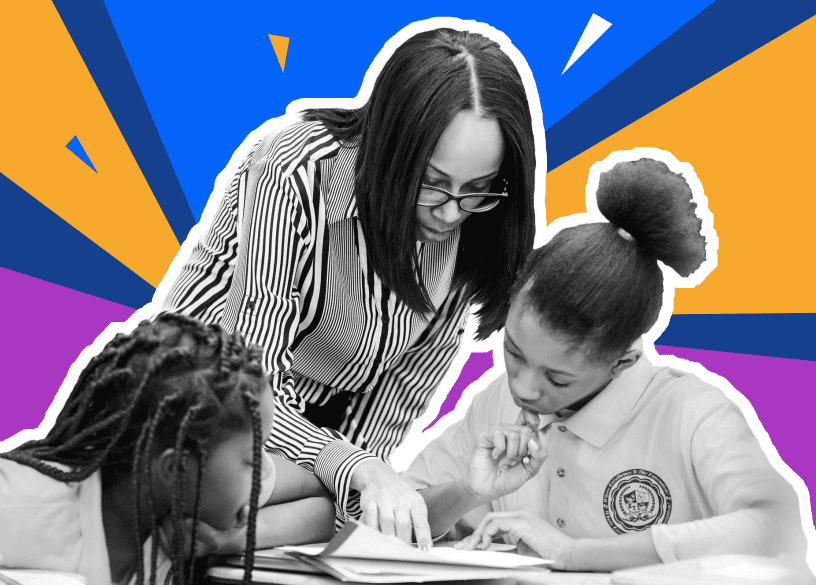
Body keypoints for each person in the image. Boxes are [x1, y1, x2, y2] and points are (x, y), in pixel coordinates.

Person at [160, 23, 539, 545]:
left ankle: (228, 537)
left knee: (343, 501)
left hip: (298, 467)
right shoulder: (295, 169)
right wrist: (353, 469)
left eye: (476, 189)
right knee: (251, 480)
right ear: (390, 149)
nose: (452, 212)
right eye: (432, 182)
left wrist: (359, 477)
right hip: (202, 413)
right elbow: (249, 393)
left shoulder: (473, 232)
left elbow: (382, 426)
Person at [406, 156, 809, 570]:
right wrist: (468, 491)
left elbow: (775, 526)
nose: (523, 388)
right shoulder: (495, 405)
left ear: (622, 361)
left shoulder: (692, 414)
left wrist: (573, 554)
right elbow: (391, 518)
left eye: (558, 379)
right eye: (513, 352)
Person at [0, 313, 335, 585]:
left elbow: (321, 502)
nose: (264, 468)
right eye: (251, 459)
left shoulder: (183, 506)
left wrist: (224, 542)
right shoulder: (17, 504)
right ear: (174, 470)